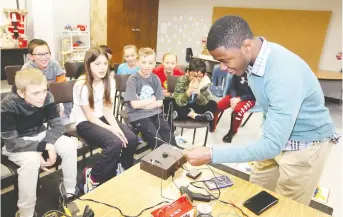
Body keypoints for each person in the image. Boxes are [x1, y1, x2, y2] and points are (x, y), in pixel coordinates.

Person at [183, 15, 339, 205]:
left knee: (286, 205)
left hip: (305, 145)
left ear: (246, 46)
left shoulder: (283, 75)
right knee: (255, 191)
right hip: (276, 132)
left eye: (225, 60)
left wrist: (212, 154)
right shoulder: (255, 56)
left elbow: (272, 144)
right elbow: (269, 98)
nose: (222, 68)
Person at [1, 68, 78, 217]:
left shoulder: (47, 97)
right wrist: (42, 147)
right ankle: (26, 212)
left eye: (44, 90)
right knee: (31, 162)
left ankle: (69, 192)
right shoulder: (8, 105)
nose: (42, 97)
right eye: (35, 93)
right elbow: (11, 143)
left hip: (40, 135)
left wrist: (47, 145)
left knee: (69, 145)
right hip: (17, 142)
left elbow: (57, 126)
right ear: (21, 93)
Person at [71, 47, 138, 193]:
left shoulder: (109, 81)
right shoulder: (81, 84)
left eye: (105, 64)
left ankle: (121, 167)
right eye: (97, 64)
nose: (102, 68)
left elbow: (108, 111)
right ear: (88, 65)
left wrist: (117, 128)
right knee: (114, 142)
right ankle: (93, 177)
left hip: (102, 117)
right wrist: (111, 129)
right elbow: (89, 116)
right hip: (85, 122)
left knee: (131, 138)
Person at [123, 48, 177, 150]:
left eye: (150, 63)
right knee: (158, 142)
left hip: (156, 113)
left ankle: (173, 162)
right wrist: (152, 100)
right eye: (144, 62)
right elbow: (134, 105)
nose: (147, 66)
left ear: (154, 64)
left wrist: (142, 104)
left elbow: (160, 102)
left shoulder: (155, 78)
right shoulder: (133, 80)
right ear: (138, 62)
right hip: (138, 116)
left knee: (171, 140)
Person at [22, 39, 72, 124]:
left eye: (46, 53)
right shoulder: (26, 69)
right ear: (30, 56)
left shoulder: (55, 65)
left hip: (53, 109)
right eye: (39, 54)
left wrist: (67, 114)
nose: (44, 57)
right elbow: (25, 97)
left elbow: (64, 91)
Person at [173, 59, 217, 131]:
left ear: (204, 75)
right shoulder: (181, 80)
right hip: (184, 106)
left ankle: (188, 115)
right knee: (173, 102)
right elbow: (179, 101)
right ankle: (196, 116)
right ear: (188, 72)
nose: (196, 79)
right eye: (193, 75)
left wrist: (198, 93)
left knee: (213, 103)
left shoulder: (206, 82)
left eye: (199, 76)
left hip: (196, 106)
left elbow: (205, 102)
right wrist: (189, 92)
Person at [213, 71, 255, 141]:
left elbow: (255, 95)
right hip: (236, 95)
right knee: (218, 106)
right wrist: (233, 98)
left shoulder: (256, 76)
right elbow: (233, 88)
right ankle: (213, 124)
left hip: (249, 98)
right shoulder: (237, 72)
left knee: (238, 111)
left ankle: (232, 131)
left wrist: (240, 99)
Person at [153, 52, 184, 126]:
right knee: (168, 102)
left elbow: (182, 90)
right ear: (163, 62)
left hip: (173, 98)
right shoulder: (156, 72)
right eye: (167, 63)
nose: (170, 66)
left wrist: (171, 94)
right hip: (158, 98)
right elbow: (150, 88)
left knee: (173, 102)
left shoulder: (180, 74)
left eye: (172, 63)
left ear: (176, 64)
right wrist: (161, 93)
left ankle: (170, 124)